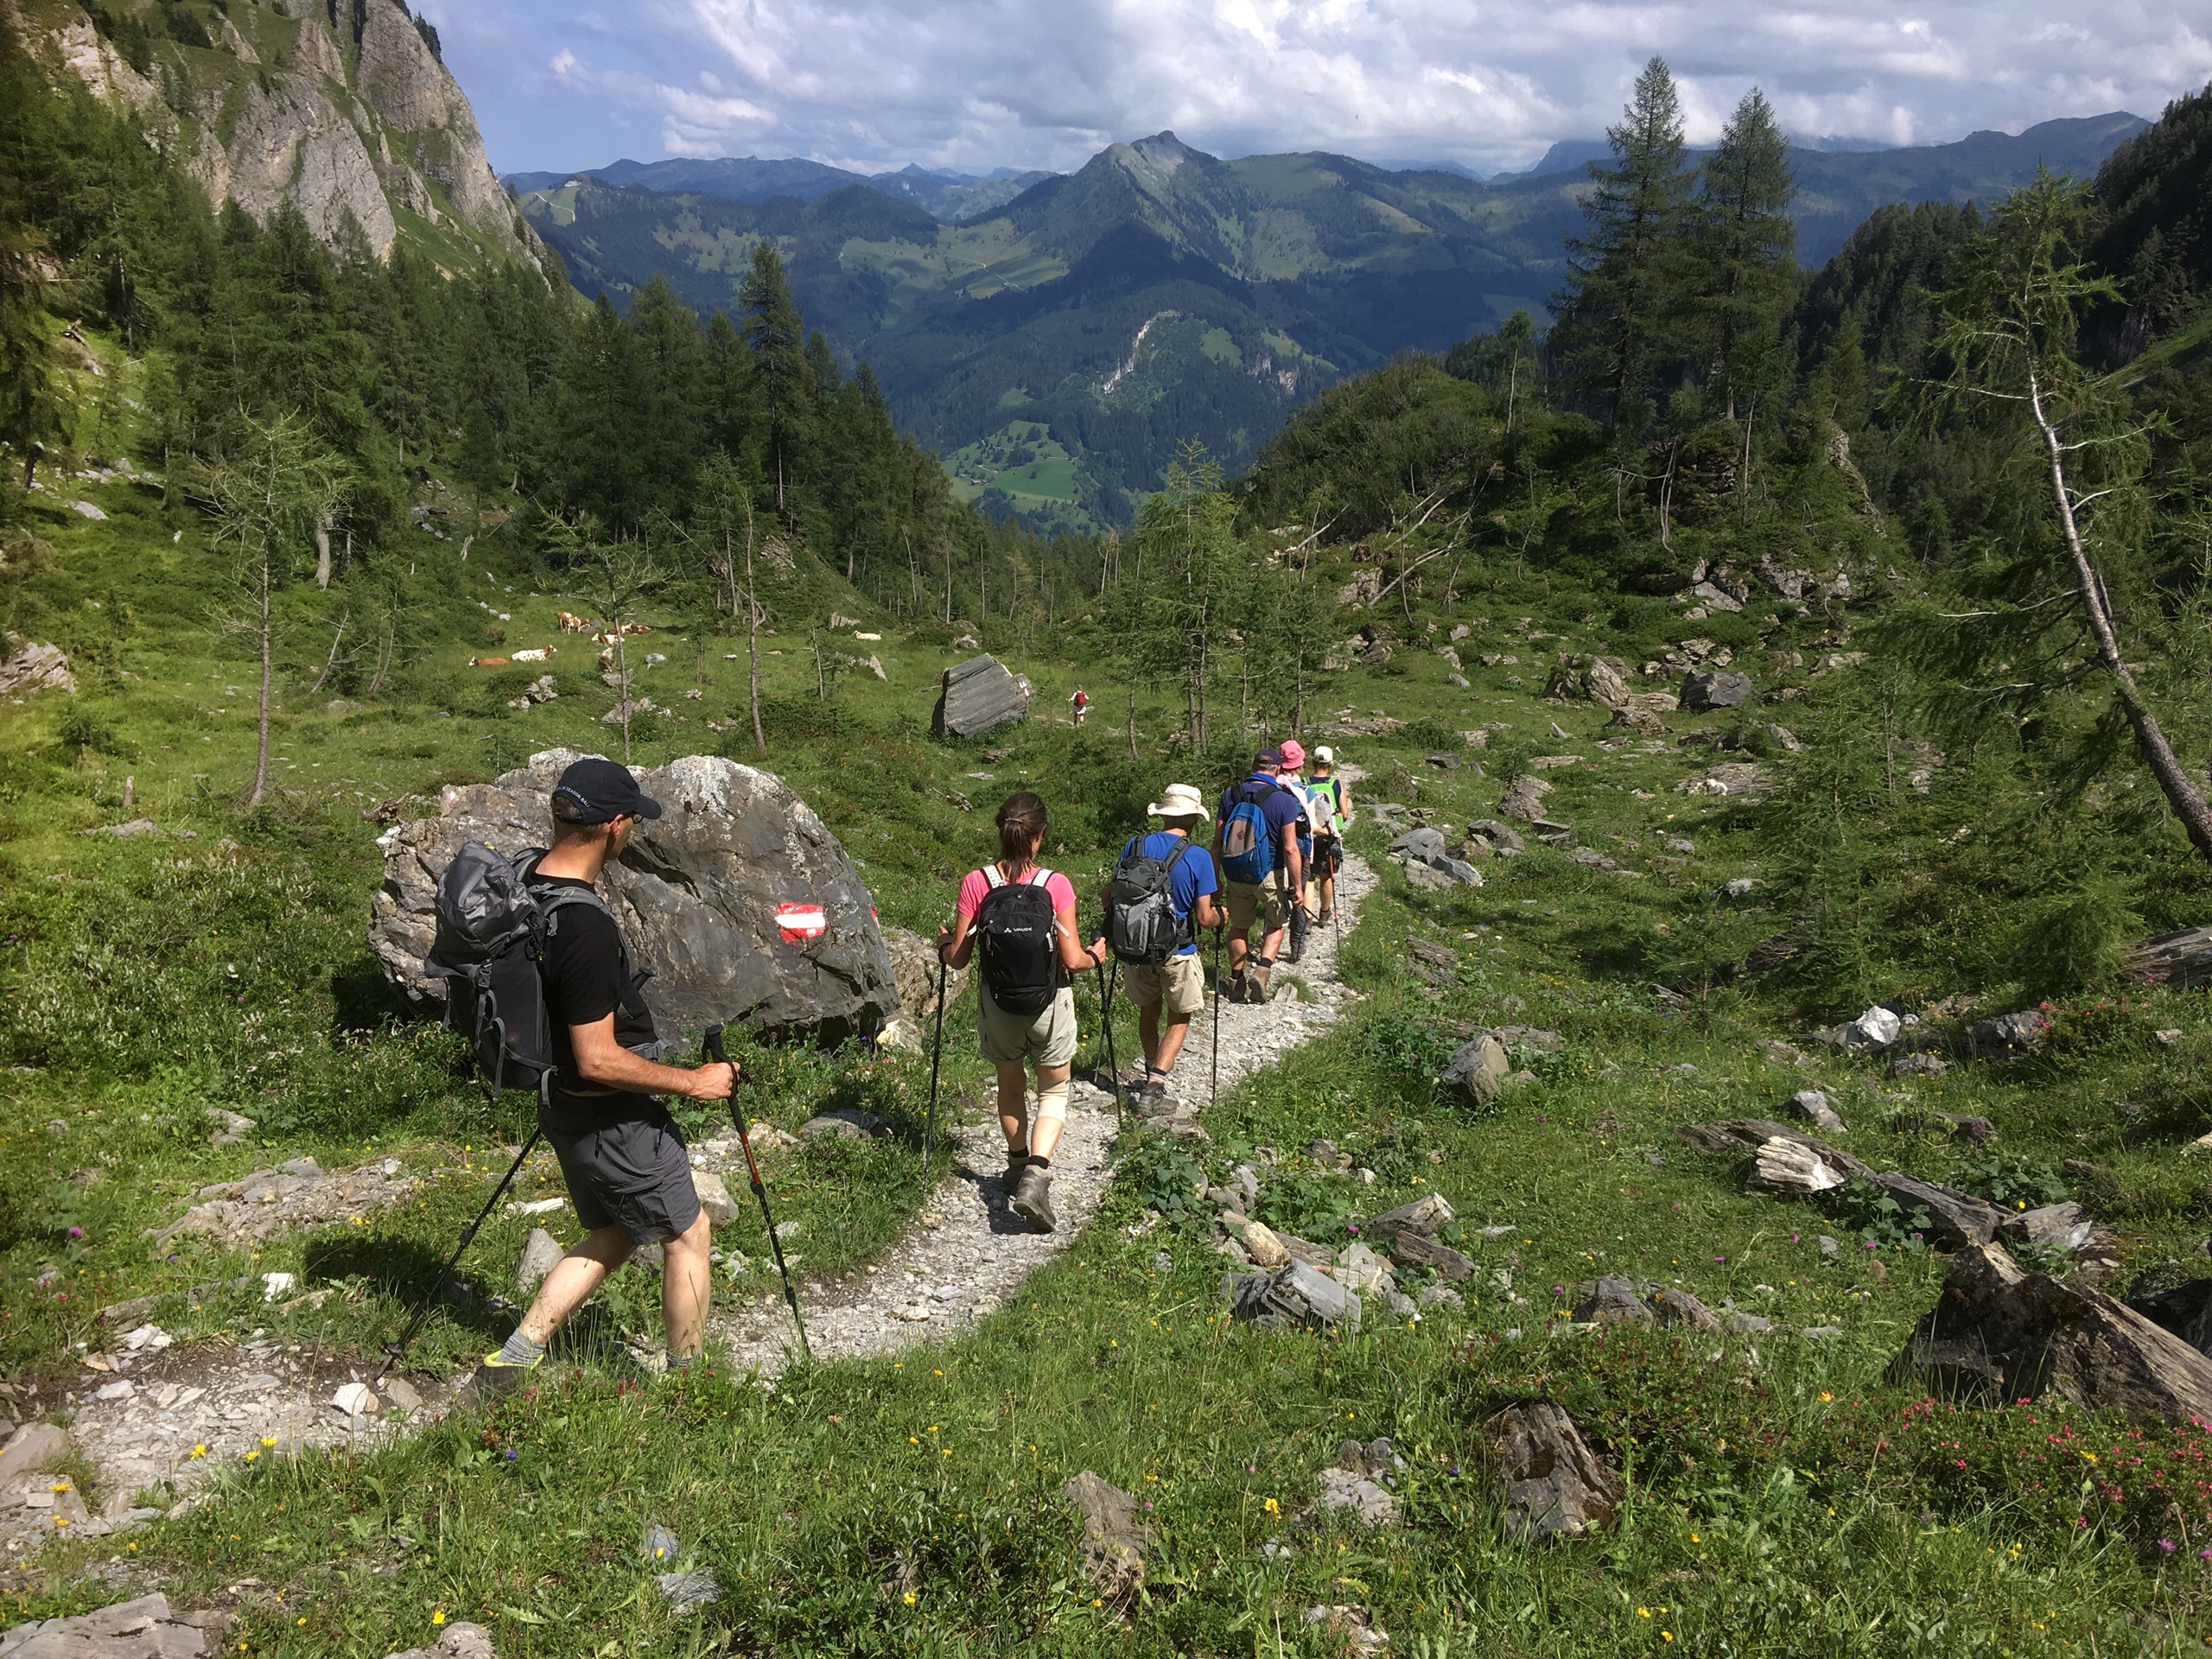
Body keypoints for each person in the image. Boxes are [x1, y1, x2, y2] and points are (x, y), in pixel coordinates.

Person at [468, 759, 738, 1399]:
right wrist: (694, 1082)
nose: (633, 834)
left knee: (617, 1231)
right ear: (614, 826)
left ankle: (512, 1359)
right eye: (632, 823)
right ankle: (688, 1387)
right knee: (687, 1233)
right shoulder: (584, 924)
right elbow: (598, 1056)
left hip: (558, 1103)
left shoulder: (528, 881)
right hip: (609, 1111)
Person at [938, 791, 1106, 1233]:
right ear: (1039, 836)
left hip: (999, 1004)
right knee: (1053, 1091)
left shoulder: (977, 882)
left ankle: (1014, 1167)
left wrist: (942, 945)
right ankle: (1036, 1172)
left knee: (1009, 1085)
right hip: (1050, 1002)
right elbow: (1071, 959)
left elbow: (958, 959)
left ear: (1002, 831)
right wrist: (1096, 955)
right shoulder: (1056, 884)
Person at [1112, 783, 1221, 1101]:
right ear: (1194, 819)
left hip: (1136, 948)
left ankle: (1149, 1066)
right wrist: (1220, 917)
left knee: (1149, 1011)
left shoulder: (1135, 846)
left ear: (1163, 814)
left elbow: (1110, 895)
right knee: (1180, 1015)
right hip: (1178, 951)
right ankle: (1156, 1082)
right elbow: (1203, 917)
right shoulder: (1199, 857)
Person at [1212, 748, 1306, 1004]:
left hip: (1235, 873)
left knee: (1238, 926)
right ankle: (1262, 971)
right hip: (1270, 874)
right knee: (1277, 923)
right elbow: (1290, 848)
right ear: (1277, 769)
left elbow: (1217, 843)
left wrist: (1215, 880)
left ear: (1253, 766)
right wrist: (1297, 885)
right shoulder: (1284, 800)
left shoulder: (1230, 795)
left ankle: (1237, 978)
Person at [1276, 739, 1315, 963]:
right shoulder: (1306, 792)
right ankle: (1296, 948)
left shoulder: (1274, 786)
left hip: (1276, 848)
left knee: (1275, 895)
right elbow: (1312, 826)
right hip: (1300, 849)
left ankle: (1267, 943)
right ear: (1300, 765)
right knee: (1297, 896)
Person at [1306, 746, 1352, 922]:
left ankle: (1307, 916)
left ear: (1313, 762)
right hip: (1329, 836)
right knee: (1327, 875)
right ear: (1330, 764)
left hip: (1309, 836)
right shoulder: (1336, 784)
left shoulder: (1305, 782)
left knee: (1309, 876)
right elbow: (1345, 814)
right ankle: (1324, 913)